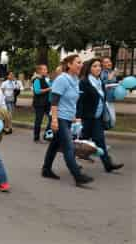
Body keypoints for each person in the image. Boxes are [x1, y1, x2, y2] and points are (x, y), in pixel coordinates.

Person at [42, 54, 94, 187]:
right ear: (69, 64)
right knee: (68, 147)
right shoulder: (62, 79)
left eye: (81, 62)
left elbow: (72, 101)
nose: (81, 65)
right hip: (59, 118)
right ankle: (77, 176)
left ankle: (46, 169)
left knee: (54, 144)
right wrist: (54, 120)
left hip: (68, 118)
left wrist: (75, 116)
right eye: (78, 62)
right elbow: (54, 101)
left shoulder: (75, 79)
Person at [77, 58, 124, 172]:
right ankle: (72, 162)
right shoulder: (84, 82)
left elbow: (102, 98)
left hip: (97, 117)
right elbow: (80, 101)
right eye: (94, 66)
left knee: (100, 140)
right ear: (89, 69)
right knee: (80, 141)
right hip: (87, 117)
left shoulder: (100, 82)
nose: (98, 68)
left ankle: (108, 165)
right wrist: (78, 118)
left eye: (99, 66)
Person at [32, 65, 52, 143]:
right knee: (39, 120)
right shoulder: (36, 79)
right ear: (39, 71)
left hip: (47, 103)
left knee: (51, 118)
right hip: (39, 103)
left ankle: (46, 135)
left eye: (46, 69)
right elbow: (37, 91)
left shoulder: (46, 79)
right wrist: (49, 89)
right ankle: (36, 138)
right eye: (44, 69)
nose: (46, 70)